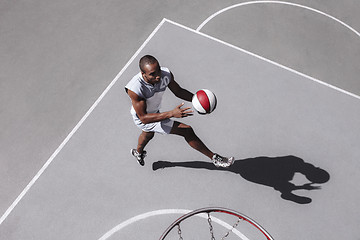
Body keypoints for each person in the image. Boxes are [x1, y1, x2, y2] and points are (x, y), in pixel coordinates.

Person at [125, 55, 234, 167]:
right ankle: (215, 158)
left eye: (158, 71)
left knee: (148, 134)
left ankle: (138, 153)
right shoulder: (135, 89)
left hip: (154, 112)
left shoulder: (165, 74)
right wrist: (172, 113)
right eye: (152, 74)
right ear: (143, 74)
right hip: (144, 118)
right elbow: (144, 118)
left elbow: (178, 91)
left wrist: (198, 101)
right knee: (187, 131)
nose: (158, 76)